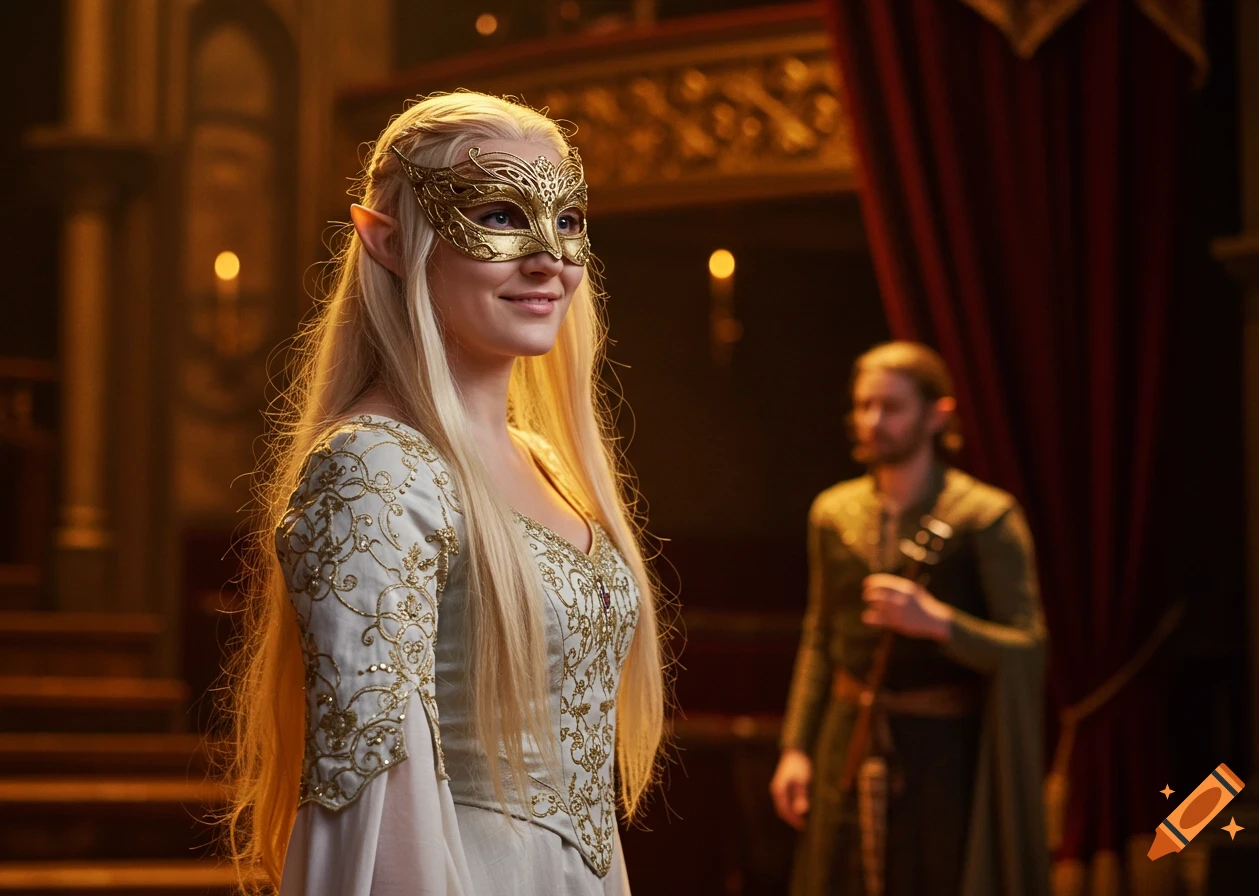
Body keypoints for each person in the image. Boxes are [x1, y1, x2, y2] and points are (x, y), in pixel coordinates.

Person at [222, 91, 668, 896]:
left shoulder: (546, 464)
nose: (550, 260)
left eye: (567, 222)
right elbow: (374, 790)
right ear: (388, 241)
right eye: (500, 215)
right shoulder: (375, 469)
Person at [769, 341, 1050, 896]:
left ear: (936, 414)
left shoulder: (985, 517)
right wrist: (796, 748)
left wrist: (940, 623)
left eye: (891, 407)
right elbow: (820, 639)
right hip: (846, 740)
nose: (872, 421)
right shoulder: (833, 513)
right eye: (863, 405)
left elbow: (1027, 645)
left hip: (946, 752)